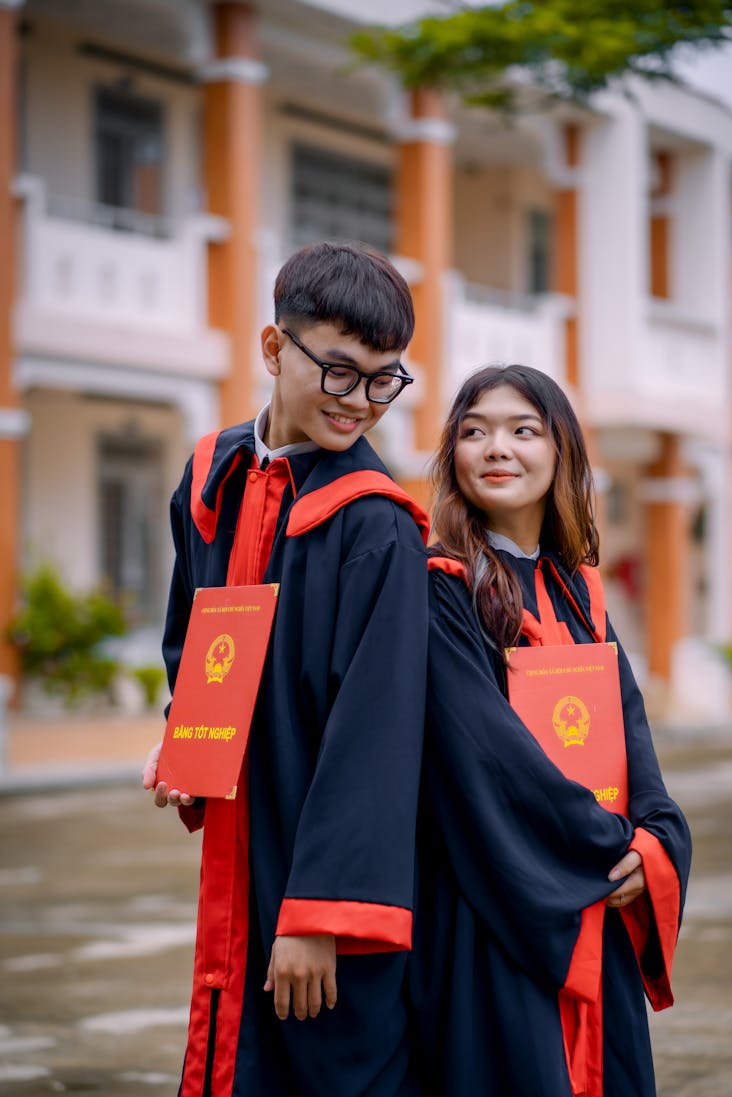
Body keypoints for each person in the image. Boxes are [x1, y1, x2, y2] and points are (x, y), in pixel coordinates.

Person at [143, 242, 430, 1097]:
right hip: (246, 834)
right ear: (274, 350)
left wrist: (320, 915)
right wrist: (184, 743)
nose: (363, 403)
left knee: (327, 1059)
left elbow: (377, 735)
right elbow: (192, 641)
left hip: (327, 871)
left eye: (387, 379)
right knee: (237, 1049)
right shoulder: (213, 479)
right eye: (341, 372)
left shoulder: (376, 527)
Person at [409, 364, 691, 1097]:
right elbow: (487, 756)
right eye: (474, 431)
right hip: (494, 907)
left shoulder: (578, 590)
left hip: (595, 899)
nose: (496, 447)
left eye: (522, 430)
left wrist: (656, 838)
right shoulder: (439, 587)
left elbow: (633, 742)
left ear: (561, 451)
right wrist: (610, 843)